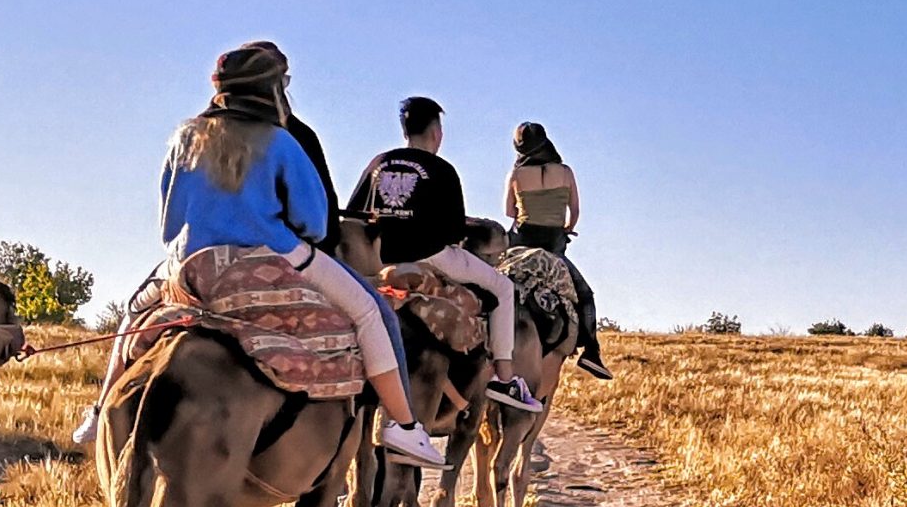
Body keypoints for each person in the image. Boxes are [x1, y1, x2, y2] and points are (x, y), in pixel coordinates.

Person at [159, 48, 446, 466]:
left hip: (191, 261)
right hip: (274, 252)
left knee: (135, 314)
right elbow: (315, 221)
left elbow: (168, 222)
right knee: (372, 312)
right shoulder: (279, 141)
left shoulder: (183, 138)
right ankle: (403, 427)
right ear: (272, 88)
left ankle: (99, 413)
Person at [345, 98, 543, 412]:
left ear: (405, 130)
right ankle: (504, 378)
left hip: (380, 258)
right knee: (503, 288)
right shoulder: (442, 169)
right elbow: (453, 231)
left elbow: (354, 216)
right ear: (436, 132)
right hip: (430, 256)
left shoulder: (379, 162)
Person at [504, 121, 610, 380]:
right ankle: (591, 351)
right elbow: (575, 210)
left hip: (523, 241)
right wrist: (567, 227)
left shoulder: (516, 175)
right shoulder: (565, 172)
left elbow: (509, 212)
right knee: (584, 294)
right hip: (553, 245)